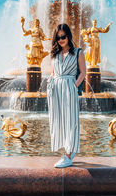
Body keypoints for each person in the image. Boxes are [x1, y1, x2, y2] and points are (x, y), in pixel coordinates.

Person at [47, 23, 86, 168]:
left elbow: (83, 72)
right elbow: (53, 72)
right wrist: (50, 83)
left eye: (63, 37)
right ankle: (68, 149)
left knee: (71, 121)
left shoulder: (78, 52)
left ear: (68, 36)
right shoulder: (55, 54)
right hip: (55, 89)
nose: (61, 40)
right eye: (58, 38)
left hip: (69, 87)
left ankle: (68, 155)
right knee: (58, 120)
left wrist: (74, 86)